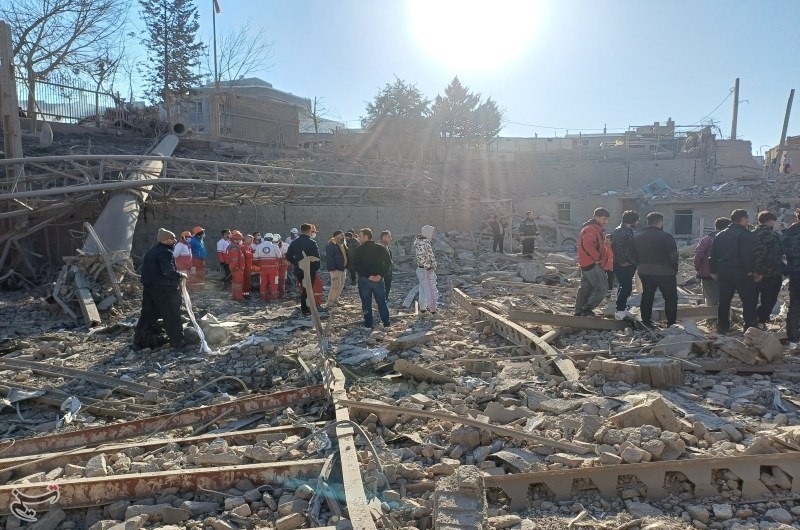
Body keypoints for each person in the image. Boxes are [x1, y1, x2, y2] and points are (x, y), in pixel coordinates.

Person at [133, 228, 186, 350]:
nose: (175, 241)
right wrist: (181, 275)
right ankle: (178, 342)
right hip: (165, 289)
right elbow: (168, 272)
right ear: (165, 240)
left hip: (149, 288)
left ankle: (138, 342)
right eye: (172, 238)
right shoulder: (165, 253)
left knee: (147, 315)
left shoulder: (151, 251)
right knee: (172, 314)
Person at [709, 209, 759, 334]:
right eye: (747, 218)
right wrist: (750, 270)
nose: (748, 221)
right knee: (748, 300)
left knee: (724, 301)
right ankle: (750, 327)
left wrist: (713, 270)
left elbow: (713, 254)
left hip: (724, 272)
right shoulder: (746, 235)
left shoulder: (720, 235)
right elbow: (748, 255)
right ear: (742, 219)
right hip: (741, 272)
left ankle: (722, 326)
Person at [632, 212, 679, 327]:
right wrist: (675, 269)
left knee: (647, 296)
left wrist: (640, 265)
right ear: (660, 222)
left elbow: (632, 255)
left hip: (644, 271)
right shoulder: (666, 236)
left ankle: (646, 322)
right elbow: (673, 255)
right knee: (670, 298)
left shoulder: (638, 237)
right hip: (665, 272)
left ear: (648, 222)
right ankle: (671, 323)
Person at [574, 208, 610, 317]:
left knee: (585, 289)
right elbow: (588, 245)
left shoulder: (593, 229)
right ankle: (587, 309)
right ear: (596, 217)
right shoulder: (591, 229)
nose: (605, 221)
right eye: (603, 219)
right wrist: (598, 257)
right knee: (602, 289)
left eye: (606, 219)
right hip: (592, 264)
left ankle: (579, 311)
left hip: (587, 263)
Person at [352, 228, 391, 328]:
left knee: (366, 303)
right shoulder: (380, 248)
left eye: (360, 236)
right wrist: (380, 275)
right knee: (382, 301)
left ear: (366, 236)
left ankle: (368, 324)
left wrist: (368, 276)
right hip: (378, 280)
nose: (359, 238)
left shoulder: (359, 249)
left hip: (364, 280)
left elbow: (356, 266)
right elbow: (388, 263)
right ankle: (386, 323)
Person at [752, 211, 786, 326]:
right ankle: (761, 320)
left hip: (752, 273)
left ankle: (751, 321)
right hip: (771, 274)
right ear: (771, 221)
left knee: (751, 300)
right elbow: (774, 256)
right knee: (769, 300)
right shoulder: (774, 236)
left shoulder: (750, 235)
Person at [693, 217, 732, 306]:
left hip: (708, 274)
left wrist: (699, 269)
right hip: (726, 274)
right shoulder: (731, 240)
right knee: (725, 299)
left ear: (715, 227)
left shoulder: (707, 239)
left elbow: (698, 256)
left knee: (710, 299)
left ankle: (712, 314)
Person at [286, 223, 322, 315]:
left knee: (304, 289)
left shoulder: (294, 242)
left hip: (299, 270)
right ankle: (306, 309)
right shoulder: (312, 242)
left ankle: (306, 308)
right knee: (308, 289)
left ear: (301, 230)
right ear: (309, 231)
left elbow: (288, 256)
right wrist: (315, 268)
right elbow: (317, 258)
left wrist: (297, 263)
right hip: (310, 269)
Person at [611, 210, 640, 320]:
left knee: (625, 286)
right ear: (632, 220)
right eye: (637, 220)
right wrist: (622, 261)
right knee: (626, 287)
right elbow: (617, 247)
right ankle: (619, 310)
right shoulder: (620, 231)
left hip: (628, 263)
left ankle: (621, 308)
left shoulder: (627, 231)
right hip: (622, 264)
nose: (638, 222)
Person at [781, 209, 800, 349]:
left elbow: (777, 253)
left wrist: (786, 269)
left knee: (795, 305)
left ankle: (793, 338)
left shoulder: (789, 232)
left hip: (795, 273)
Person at [415, 225, 440, 314]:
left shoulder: (420, 242)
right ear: (428, 233)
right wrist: (428, 267)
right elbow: (421, 257)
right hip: (426, 270)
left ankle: (423, 308)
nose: (433, 234)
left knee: (423, 289)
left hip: (421, 269)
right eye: (432, 232)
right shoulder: (424, 242)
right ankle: (433, 309)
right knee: (431, 289)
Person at [325, 230, 348, 308]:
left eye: (343, 235)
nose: (343, 237)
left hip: (342, 268)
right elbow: (330, 259)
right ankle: (330, 302)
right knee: (335, 286)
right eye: (341, 235)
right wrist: (333, 270)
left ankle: (335, 300)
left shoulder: (342, 245)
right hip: (335, 269)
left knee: (341, 285)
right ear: (336, 236)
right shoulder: (331, 245)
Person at [255, 233, 281, 301]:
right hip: (273, 269)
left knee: (263, 283)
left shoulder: (259, 246)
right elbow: (279, 257)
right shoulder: (275, 247)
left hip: (263, 269)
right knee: (274, 283)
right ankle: (274, 298)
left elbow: (255, 258)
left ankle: (263, 298)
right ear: (272, 239)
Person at [227, 230, 245, 301]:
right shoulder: (234, 247)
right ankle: (238, 297)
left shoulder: (234, 246)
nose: (241, 241)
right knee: (238, 282)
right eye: (240, 239)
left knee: (235, 282)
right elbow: (235, 259)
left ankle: (235, 296)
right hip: (237, 268)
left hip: (235, 267)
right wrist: (236, 267)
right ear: (236, 239)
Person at [379, 230, 394, 302]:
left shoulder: (386, 247)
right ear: (384, 237)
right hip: (383, 272)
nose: (391, 238)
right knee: (382, 288)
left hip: (387, 271)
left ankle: (385, 299)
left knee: (387, 287)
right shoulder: (380, 247)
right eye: (389, 236)